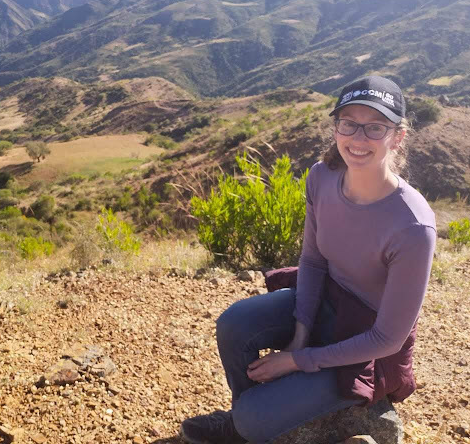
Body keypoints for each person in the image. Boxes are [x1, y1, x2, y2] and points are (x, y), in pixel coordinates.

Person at [180, 75, 436, 444]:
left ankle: (246, 423)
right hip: (326, 301)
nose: (358, 138)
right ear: (336, 128)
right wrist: (301, 335)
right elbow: (313, 261)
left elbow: (387, 339)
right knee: (234, 324)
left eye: (375, 127)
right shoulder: (322, 177)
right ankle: (247, 418)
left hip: (367, 339)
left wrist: (298, 361)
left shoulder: (412, 226)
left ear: (398, 136)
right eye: (349, 124)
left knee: (254, 421)